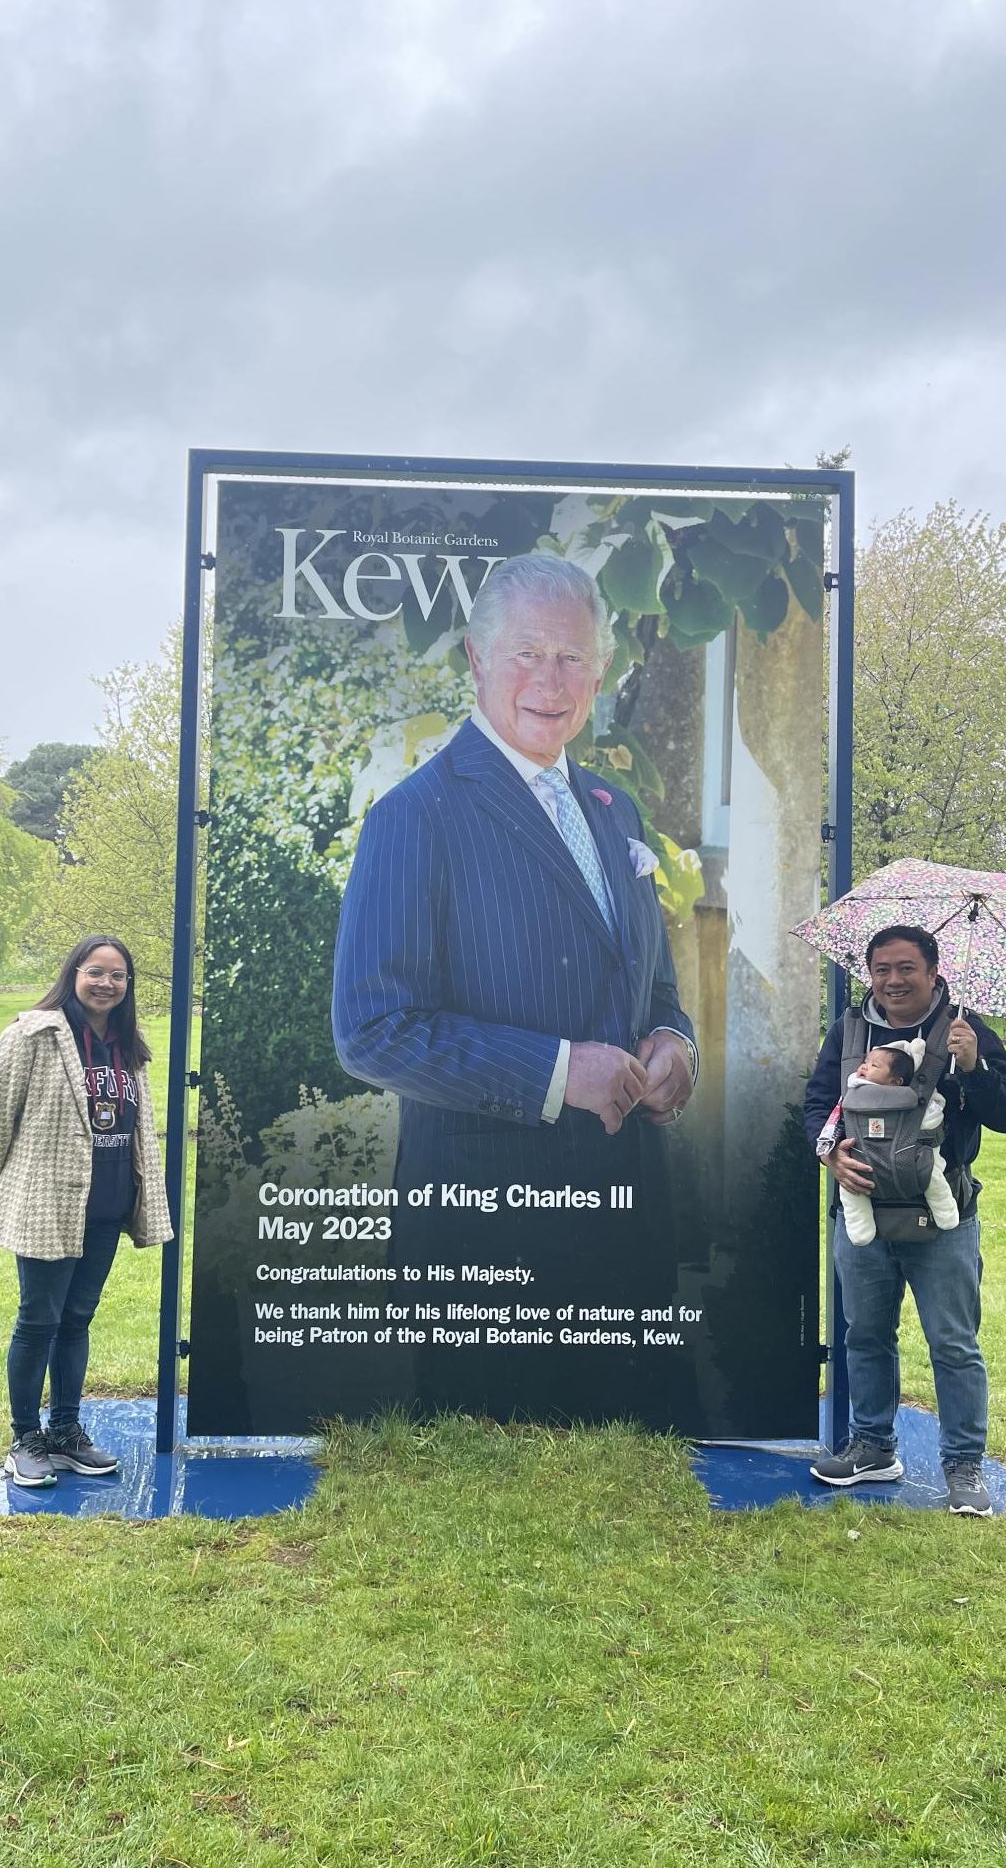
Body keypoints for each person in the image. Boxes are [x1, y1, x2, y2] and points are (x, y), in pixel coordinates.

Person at [331, 553, 697, 1421]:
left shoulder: (617, 811)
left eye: (571, 656)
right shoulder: (413, 816)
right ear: (475, 659)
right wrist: (560, 1073)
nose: (549, 678)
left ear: (601, 671)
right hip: (488, 1246)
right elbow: (372, 1029)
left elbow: (652, 984)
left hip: (627, 1233)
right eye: (526, 652)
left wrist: (674, 1040)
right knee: (489, 1524)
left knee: (638, 1508)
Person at [802, 926, 1006, 1515]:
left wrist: (973, 1067)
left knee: (953, 1343)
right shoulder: (850, 1031)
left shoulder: (964, 1030)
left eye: (906, 968)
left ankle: (963, 1464)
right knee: (866, 1337)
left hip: (943, 1219)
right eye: (881, 969)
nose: (893, 980)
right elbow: (817, 1102)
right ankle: (873, 1447)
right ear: (868, 973)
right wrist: (829, 1155)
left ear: (932, 972)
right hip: (861, 1215)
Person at [0, 935, 173, 1487]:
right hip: (48, 1207)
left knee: (77, 1321)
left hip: (105, 1207)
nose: (106, 983)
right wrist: (10, 1191)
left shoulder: (129, 1044)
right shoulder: (33, 1034)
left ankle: (65, 1431)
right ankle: (25, 1438)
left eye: (118, 976)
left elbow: (134, 1126)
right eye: (95, 972)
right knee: (38, 1321)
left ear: (127, 986)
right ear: (73, 973)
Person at [814, 1037, 960, 1245]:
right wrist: (829, 1152)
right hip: (860, 1158)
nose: (864, 1067)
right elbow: (825, 1109)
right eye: (865, 1062)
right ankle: (860, 1228)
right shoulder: (853, 1086)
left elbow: (933, 1114)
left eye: (874, 1065)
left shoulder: (911, 1094)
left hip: (912, 1159)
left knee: (932, 1173)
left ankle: (945, 1212)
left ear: (896, 1082)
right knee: (852, 1186)